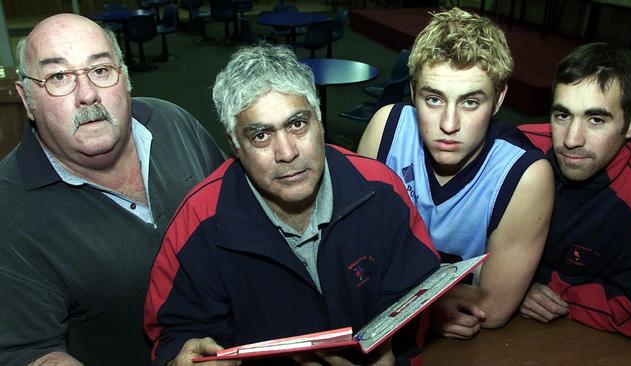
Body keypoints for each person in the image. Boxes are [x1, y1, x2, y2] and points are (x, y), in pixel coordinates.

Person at [144, 44, 441, 366]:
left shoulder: (381, 190)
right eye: (260, 135)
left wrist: (392, 352)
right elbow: (174, 334)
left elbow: (417, 294)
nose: (286, 152)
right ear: (234, 145)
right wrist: (181, 358)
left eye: (297, 124)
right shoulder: (199, 222)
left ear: (320, 121)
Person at [0, 14, 224, 366]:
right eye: (59, 77)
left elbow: (241, 207)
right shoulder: (9, 209)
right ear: (27, 100)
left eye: (101, 70)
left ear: (125, 76)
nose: (87, 95)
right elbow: (33, 354)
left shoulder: (173, 122)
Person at [356, 7, 554, 339]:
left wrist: (391, 291)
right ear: (413, 90)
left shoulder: (523, 176)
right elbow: (353, 257)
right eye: (433, 99)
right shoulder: (386, 128)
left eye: (470, 103)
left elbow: (491, 309)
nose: (449, 124)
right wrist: (427, 306)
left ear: (499, 98)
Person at [518, 42, 631, 339]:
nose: (571, 140)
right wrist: (509, 282)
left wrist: (546, 290)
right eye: (562, 116)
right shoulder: (515, 151)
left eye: (596, 119)